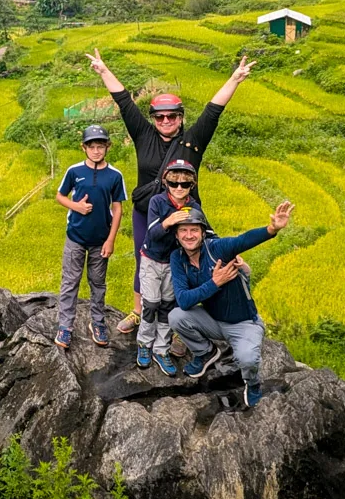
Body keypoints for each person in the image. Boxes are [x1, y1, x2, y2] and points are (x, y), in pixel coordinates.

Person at [86, 49, 255, 334]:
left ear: (180, 117)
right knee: (145, 259)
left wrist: (235, 79)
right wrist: (103, 70)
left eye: (172, 117)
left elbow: (213, 110)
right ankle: (139, 311)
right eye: (160, 117)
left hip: (186, 214)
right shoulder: (143, 135)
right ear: (152, 118)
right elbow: (124, 101)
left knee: (188, 262)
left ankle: (181, 321)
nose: (166, 122)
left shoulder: (193, 141)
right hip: (147, 213)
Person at [168, 201, 295, 407]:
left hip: (244, 323)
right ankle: (205, 353)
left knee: (247, 359)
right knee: (176, 316)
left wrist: (272, 229)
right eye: (183, 230)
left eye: (194, 230)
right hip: (213, 321)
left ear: (203, 233)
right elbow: (183, 300)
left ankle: (252, 384)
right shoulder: (178, 258)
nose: (189, 235)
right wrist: (215, 282)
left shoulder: (217, 249)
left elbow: (242, 241)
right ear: (176, 235)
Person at [54, 124, 126, 350]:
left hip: (100, 240)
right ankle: (65, 326)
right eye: (92, 146)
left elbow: (118, 209)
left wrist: (111, 240)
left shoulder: (115, 176)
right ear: (83, 148)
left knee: (98, 283)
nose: (96, 151)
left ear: (108, 147)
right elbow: (59, 196)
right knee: (70, 282)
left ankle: (97, 322)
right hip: (75, 237)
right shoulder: (74, 171)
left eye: (100, 146)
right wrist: (76, 206)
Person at [136, 158, 206, 374]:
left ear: (191, 186)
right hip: (151, 259)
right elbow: (152, 234)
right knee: (151, 303)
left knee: (168, 304)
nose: (179, 188)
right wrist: (169, 221)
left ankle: (161, 348)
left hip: (174, 263)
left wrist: (229, 251)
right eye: (174, 183)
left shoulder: (193, 207)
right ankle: (144, 344)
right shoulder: (157, 202)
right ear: (166, 183)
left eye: (184, 184)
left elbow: (207, 232)